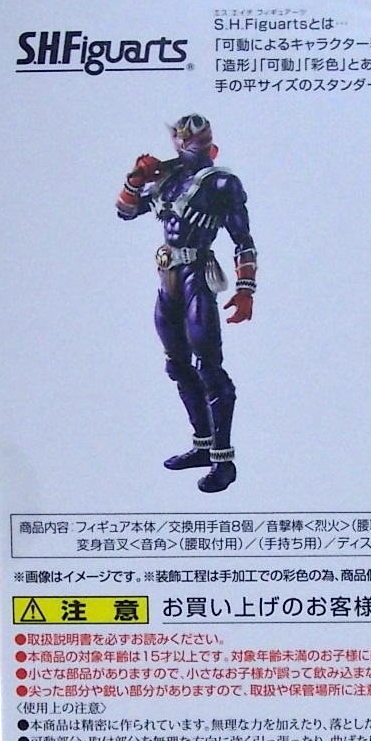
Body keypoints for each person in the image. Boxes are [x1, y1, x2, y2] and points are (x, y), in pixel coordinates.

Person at [116, 114, 255, 493]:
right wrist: (135, 179)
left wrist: (246, 289)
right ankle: (203, 445)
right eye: (183, 138)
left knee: (210, 368)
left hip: (197, 276)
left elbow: (243, 239)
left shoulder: (221, 182)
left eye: (196, 138)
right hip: (168, 279)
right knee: (177, 365)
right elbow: (125, 211)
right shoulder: (169, 177)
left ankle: (223, 461)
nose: (189, 144)